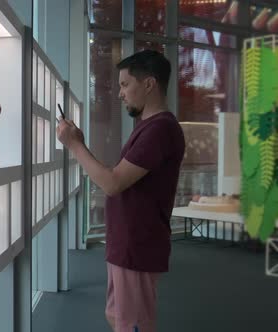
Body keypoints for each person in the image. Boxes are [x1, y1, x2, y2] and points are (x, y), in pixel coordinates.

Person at [57, 50, 185, 332]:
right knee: (119, 317)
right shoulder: (149, 128)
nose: (120, 94)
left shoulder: (159, 130)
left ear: (149, 84)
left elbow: (112, 183)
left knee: (132, 324)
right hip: (129, 244)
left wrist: (75, 145)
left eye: (125, 85)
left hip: (137, 245)